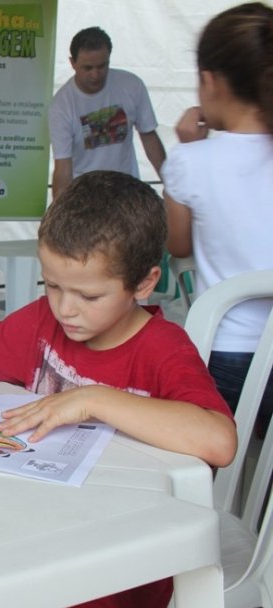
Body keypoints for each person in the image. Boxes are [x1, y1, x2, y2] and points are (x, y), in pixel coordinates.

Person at [0, 171, 236, 608]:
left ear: (144, 283)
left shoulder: (163, 349)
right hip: (20, 541)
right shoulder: (42, 322)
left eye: (89, 295)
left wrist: (93, 399)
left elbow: (219, 441)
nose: (65, 309)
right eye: (51, 285)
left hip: (108, 577)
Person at [163, 2, 273, 429]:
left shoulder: (190, 162)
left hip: (225, 352)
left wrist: (187, 152)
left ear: (210, 80)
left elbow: (178, 245)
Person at [48, 27, 167, 199]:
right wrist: (60, 208)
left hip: (127, 192)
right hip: (86, 196)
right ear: (72, 63)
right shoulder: (61, 106)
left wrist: (171, 184)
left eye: (102, 66)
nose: (95, 74)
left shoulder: (132, 85)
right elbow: (63, 167)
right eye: (87, 68)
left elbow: (149, 138)